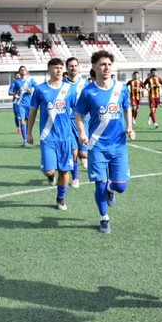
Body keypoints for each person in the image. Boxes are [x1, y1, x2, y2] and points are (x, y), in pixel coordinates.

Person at [74, 50, 135, 233]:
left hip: (118, 144)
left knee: (121, 187)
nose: (106, 67)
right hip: (96, 145)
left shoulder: (121, 87)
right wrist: (82, 132)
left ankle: (111, 188)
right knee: (99, 184)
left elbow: (127, 108)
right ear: (94, 67)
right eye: (102, 64)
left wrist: (130, 127)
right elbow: (79, 114)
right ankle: (104, 218)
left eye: (109, 64)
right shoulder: (88, 91)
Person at [27, 58, 78, 210]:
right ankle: (50, 176)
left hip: (66, 137)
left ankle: (60, 198)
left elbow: (78, 113)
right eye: (55, 68)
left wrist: (78, 137)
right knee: (49, 170)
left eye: (61, 68)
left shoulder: (70, 89)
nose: (59, 70)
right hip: (47, 137)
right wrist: (29, 133)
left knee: (64, 171)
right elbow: (33, 111)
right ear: (49, 70)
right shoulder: (40, 89)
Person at [64, 56, 87, 187]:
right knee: (73, 152)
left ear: (79, 67)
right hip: (67, 121)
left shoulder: (85, 84)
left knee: (83, 153)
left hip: (84, 120)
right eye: (71, 66)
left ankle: (84, 157)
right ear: (67, 68)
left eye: (75, 65)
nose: (73, 68)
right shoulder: (62, 85)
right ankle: (76, 177)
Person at [9, 66, 38, 145]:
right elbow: (10, 92)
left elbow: (38, 89)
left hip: (30, 104)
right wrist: (15, 94)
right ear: (19, 72)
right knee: (22, 121)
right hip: (20, 103)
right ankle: (25, 140)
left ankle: (29, 135)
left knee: (29, 122)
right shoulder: (16, 81)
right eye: (21, 70)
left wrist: (30, 90)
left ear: (26, 71)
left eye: (24, 69)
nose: (22, 71)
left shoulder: (31, 80)